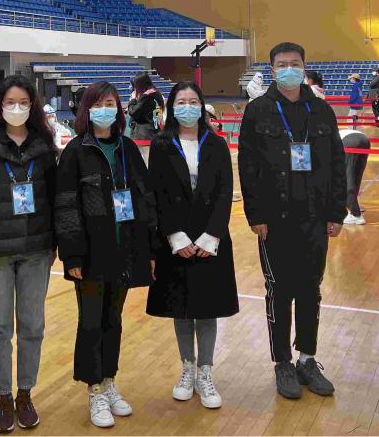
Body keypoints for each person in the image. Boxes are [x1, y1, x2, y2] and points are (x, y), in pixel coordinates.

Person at [237, 42, 346, 401]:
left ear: (304, 67)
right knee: (279, 291)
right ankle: (282, 362)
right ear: (272, 69)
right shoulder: (258, 111)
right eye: (282, 64)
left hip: (315, 217)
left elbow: (336, 163)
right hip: (275, 219)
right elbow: (248, 167)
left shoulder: (322, 110)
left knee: (311, 290)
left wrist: (336, 212)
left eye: (295, 64)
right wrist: (255, 215)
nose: (289, 69)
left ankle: (307, 359)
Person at [54, 81, 157, 428]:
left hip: (124, 250)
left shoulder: (128, 149)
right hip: (90, 254)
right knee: (91, 321)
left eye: (110, 103)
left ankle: (110, 380)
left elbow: (144, 200)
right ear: (86, 109)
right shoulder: (75, 152)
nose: (104, 109)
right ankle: (94, 388)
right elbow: (66, 207)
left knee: (114, 319)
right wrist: (72, 255)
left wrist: (148, 248)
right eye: (97, 104)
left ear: (119, 108)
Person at [0, 75, 59, 432]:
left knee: (32, 326)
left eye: (23, 102)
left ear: (32, 107)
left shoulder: (44, 148)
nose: (16, 108)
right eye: (10, 102)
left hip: (36, 252)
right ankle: (3, 396)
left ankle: (25, 393)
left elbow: (56, 200)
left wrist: (55, 245)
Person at [146, 82, 238, 410]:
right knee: (181, 309)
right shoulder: (161, 145)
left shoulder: (216, 143)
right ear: (172, 107)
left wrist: (211, 236)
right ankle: (187, 368)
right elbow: (156, 193)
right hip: (177, 242)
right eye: (181, 101)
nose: (188, 106)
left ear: (202, 106)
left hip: (210, 241)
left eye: (193, 101)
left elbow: (225, 192)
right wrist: (175, 237)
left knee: (207, 308)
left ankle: (205, 372)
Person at [127, 73, 164, 153]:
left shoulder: (146, 97)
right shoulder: (157, 94)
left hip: (144, 137)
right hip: (156, 132)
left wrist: (132, 100)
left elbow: (133, 112)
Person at [339, 129, 370, 225]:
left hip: (348, 142)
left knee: (348, 177)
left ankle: (355, 214)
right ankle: (354, 205)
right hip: (364, 139)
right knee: (357, 175)